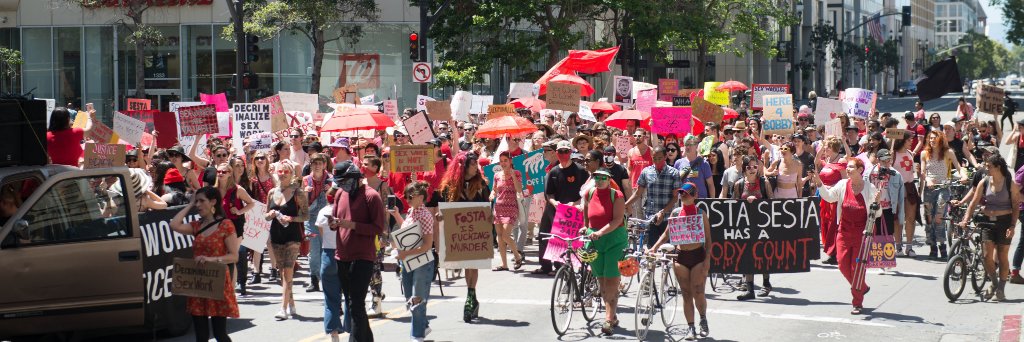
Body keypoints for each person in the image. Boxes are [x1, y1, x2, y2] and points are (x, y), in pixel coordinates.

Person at [169, 187, 239, 342]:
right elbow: (174, 225)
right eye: (197, 201)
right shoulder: (196, 226)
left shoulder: (225, 225)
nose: (198, 205)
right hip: (198, 283)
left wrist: (211, 260)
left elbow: (234, 256)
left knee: (220, 333)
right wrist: (189, 204)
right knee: (201, 336)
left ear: (213, 202)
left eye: (202, 201)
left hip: (217, 282)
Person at [330, 160, 387, 341]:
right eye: (340, 182)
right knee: (352, 303)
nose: (342, 186)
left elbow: (378, 228)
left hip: (363, 256)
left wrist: (352, 225)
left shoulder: (372, 196)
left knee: (356, 304)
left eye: (345, 181)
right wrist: (333, 224)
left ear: (355, 178)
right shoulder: (340, 193)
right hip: (342, 254)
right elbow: (336, 217)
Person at [649, 182, 711, 340]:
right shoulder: (676, 213)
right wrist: (654, 248)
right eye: (682, 193)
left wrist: (707, 261)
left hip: (697, 256)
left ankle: (703, 318)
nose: (684, 195)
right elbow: (666, 234)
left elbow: (709, 240)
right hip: (680, 256)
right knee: (686, 293)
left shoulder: (701, 213)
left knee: (698, 291)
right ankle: (691, 327)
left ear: (695, 196)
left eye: (688, 193)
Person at [816, 158, 877, 315]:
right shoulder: (843, 185)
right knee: (842, 265)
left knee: (857, 269)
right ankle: (861, 287)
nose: (847, 169)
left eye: (851, 167)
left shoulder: (870, 188)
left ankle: (857, 302)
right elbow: (830, 197)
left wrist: (877, 203)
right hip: (843, 231)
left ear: (860, 170)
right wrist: (819, 183)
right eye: (847, 167)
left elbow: (876, 214)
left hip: (861, 235)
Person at [960, 155, 1020, 302]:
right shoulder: (984, 182)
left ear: (998, 167)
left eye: (989, 166)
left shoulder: (1009, 183)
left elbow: (1016, 205)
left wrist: (1012, 225)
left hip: (1004, 222)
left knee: (1002, 255)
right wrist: (966, 218)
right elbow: (973, 203)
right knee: (987, 256)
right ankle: (994, 283)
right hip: (987, 222)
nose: (986, 168)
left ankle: (1001, 288)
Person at [581, 168, 628, 336]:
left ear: (609, 180)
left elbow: (617, 220)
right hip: (594, 240)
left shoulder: (617, 195)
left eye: (603, 178)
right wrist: (586, 227)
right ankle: (612, 315)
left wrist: (600, 232)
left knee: (611, 280)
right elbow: (586, 216)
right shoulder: (589, 193)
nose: (600, 180)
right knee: (601, 281)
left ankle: (608, 319)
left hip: (614, 240)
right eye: (597, 177)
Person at [387, 182, 436, 342]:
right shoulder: (412, 212)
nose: (407, 199)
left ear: (421, 198)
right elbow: (409, 232)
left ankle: (417, 335)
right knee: (409, 297)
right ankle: (423, 325)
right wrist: (396, 215)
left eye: (411, 196)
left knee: (417, 298)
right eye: (406, 196)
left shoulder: (425, 216)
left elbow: (427, 245)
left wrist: (405, 253)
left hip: (421, 262)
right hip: (407, 260)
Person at [533, 141, 589, 276]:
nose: (563, 154)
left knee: (563, 239)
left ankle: (560, 267)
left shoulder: (580, 171)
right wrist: (554, 203)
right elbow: (549, 193)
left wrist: (575, 203)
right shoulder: (554, 171)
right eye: (560, 152)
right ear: (556, 153)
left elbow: (587, 191)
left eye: (566, 151)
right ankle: (545, 266)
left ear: (570, 152)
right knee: (544, 236)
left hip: (571, 211)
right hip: (553, 208)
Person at [265, 163, 309, 320]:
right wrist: (270, 214)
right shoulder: (271, 192)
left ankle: (283, 308)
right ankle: (292, 304)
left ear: (291, 174)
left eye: (286, 172)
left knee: (288, 270)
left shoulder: (298, 193)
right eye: (280, 171)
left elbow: (306, 215)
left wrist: (292, 218)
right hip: (276, 235)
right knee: (282, 271)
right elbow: (265, 215)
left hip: (292, 235)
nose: (282, 174)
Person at [920, 130, 968, 260]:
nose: (932, 141)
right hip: (929, 189)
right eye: (930, 138)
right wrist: (928, 180)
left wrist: (963, 175)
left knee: (939, 217)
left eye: (935, 138)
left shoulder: (948, 152)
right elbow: (923, 172)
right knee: (929, 218)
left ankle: (942, 244)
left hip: (944, 188)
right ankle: (932, 246)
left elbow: (958, 167)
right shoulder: (924, 153)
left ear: (941, 139)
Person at [731, 156, 774, 299]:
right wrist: (744, 202)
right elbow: (734, 204)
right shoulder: (739, 184)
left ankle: (766, 284)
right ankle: (750, 289)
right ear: (744, 169)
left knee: (763, 255)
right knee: (747, 256)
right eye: (748, 167)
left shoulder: (764, 182)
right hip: (745, 226)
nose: (752, 170)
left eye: (755, 167)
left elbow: (773, 203)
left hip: (762, 225)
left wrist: (758, 202)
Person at [625, 147, 682, 249]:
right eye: (654, 158)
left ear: (665, 157)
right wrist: (625, 205)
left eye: (659, 158)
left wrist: (663, 212)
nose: (656, 161)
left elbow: (675, 197)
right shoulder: (646, 172)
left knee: (668, 249)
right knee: (651, 250)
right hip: (651, 218)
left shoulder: (674, 173)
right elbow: (638, 193)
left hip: (667, 218)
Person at [214, 161, 256, 296]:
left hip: (234, 227)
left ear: (230, 174)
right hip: (218, 226)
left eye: (223, 172)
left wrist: (239, 211)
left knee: (231, 257)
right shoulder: (213, 190)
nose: (220, 174)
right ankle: (224, 287)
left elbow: (251, 203)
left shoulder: (237, 189)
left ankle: (231, 291)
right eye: (218, 172)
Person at [314, 187, 345, 342]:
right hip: (345, 254)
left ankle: (333, 332)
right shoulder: (346, 211)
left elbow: (321, 232)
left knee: (330, 298)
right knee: (350, 296)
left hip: (328, 254)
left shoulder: (322, 212)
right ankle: (352, 330)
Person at [302, 153, 332, 293]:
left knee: (326, 250)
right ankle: (314, 279)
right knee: (314, 250)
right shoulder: (305, 180)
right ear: (311, 165)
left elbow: (338, 199)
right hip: (311, 218)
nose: (318, 166)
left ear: (324, 164)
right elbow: (301, 203)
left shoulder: (331, 179)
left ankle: (326, 278)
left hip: (327, 218)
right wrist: (305, 193)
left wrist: (330, 192)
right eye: (315, 163)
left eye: (320, 163)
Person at [490, 151, 524, 271]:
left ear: (510, 161)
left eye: (506, 160)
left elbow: (519, 190)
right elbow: (494, 190)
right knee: (499, 236)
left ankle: (517, 255)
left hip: (511, 207)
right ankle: (504, 264)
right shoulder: (497, 175)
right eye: (501, 161)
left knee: (505, 235)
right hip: (498, 208)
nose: (503, 163)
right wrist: (492, 194)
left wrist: (513, 175)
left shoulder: (517, 173)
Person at [816, 137, 848, 264]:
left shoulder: (841, 160)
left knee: (834, 226)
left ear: (833, 148)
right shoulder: (826, 160)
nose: (825, 149)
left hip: (835, 197)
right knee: (825, 224)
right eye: (825, 147)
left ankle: (835, 253)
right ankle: (830, 251)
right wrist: (822, 146)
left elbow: (845, 180)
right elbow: (816, 161)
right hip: (825, 196)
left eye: (828, 147)